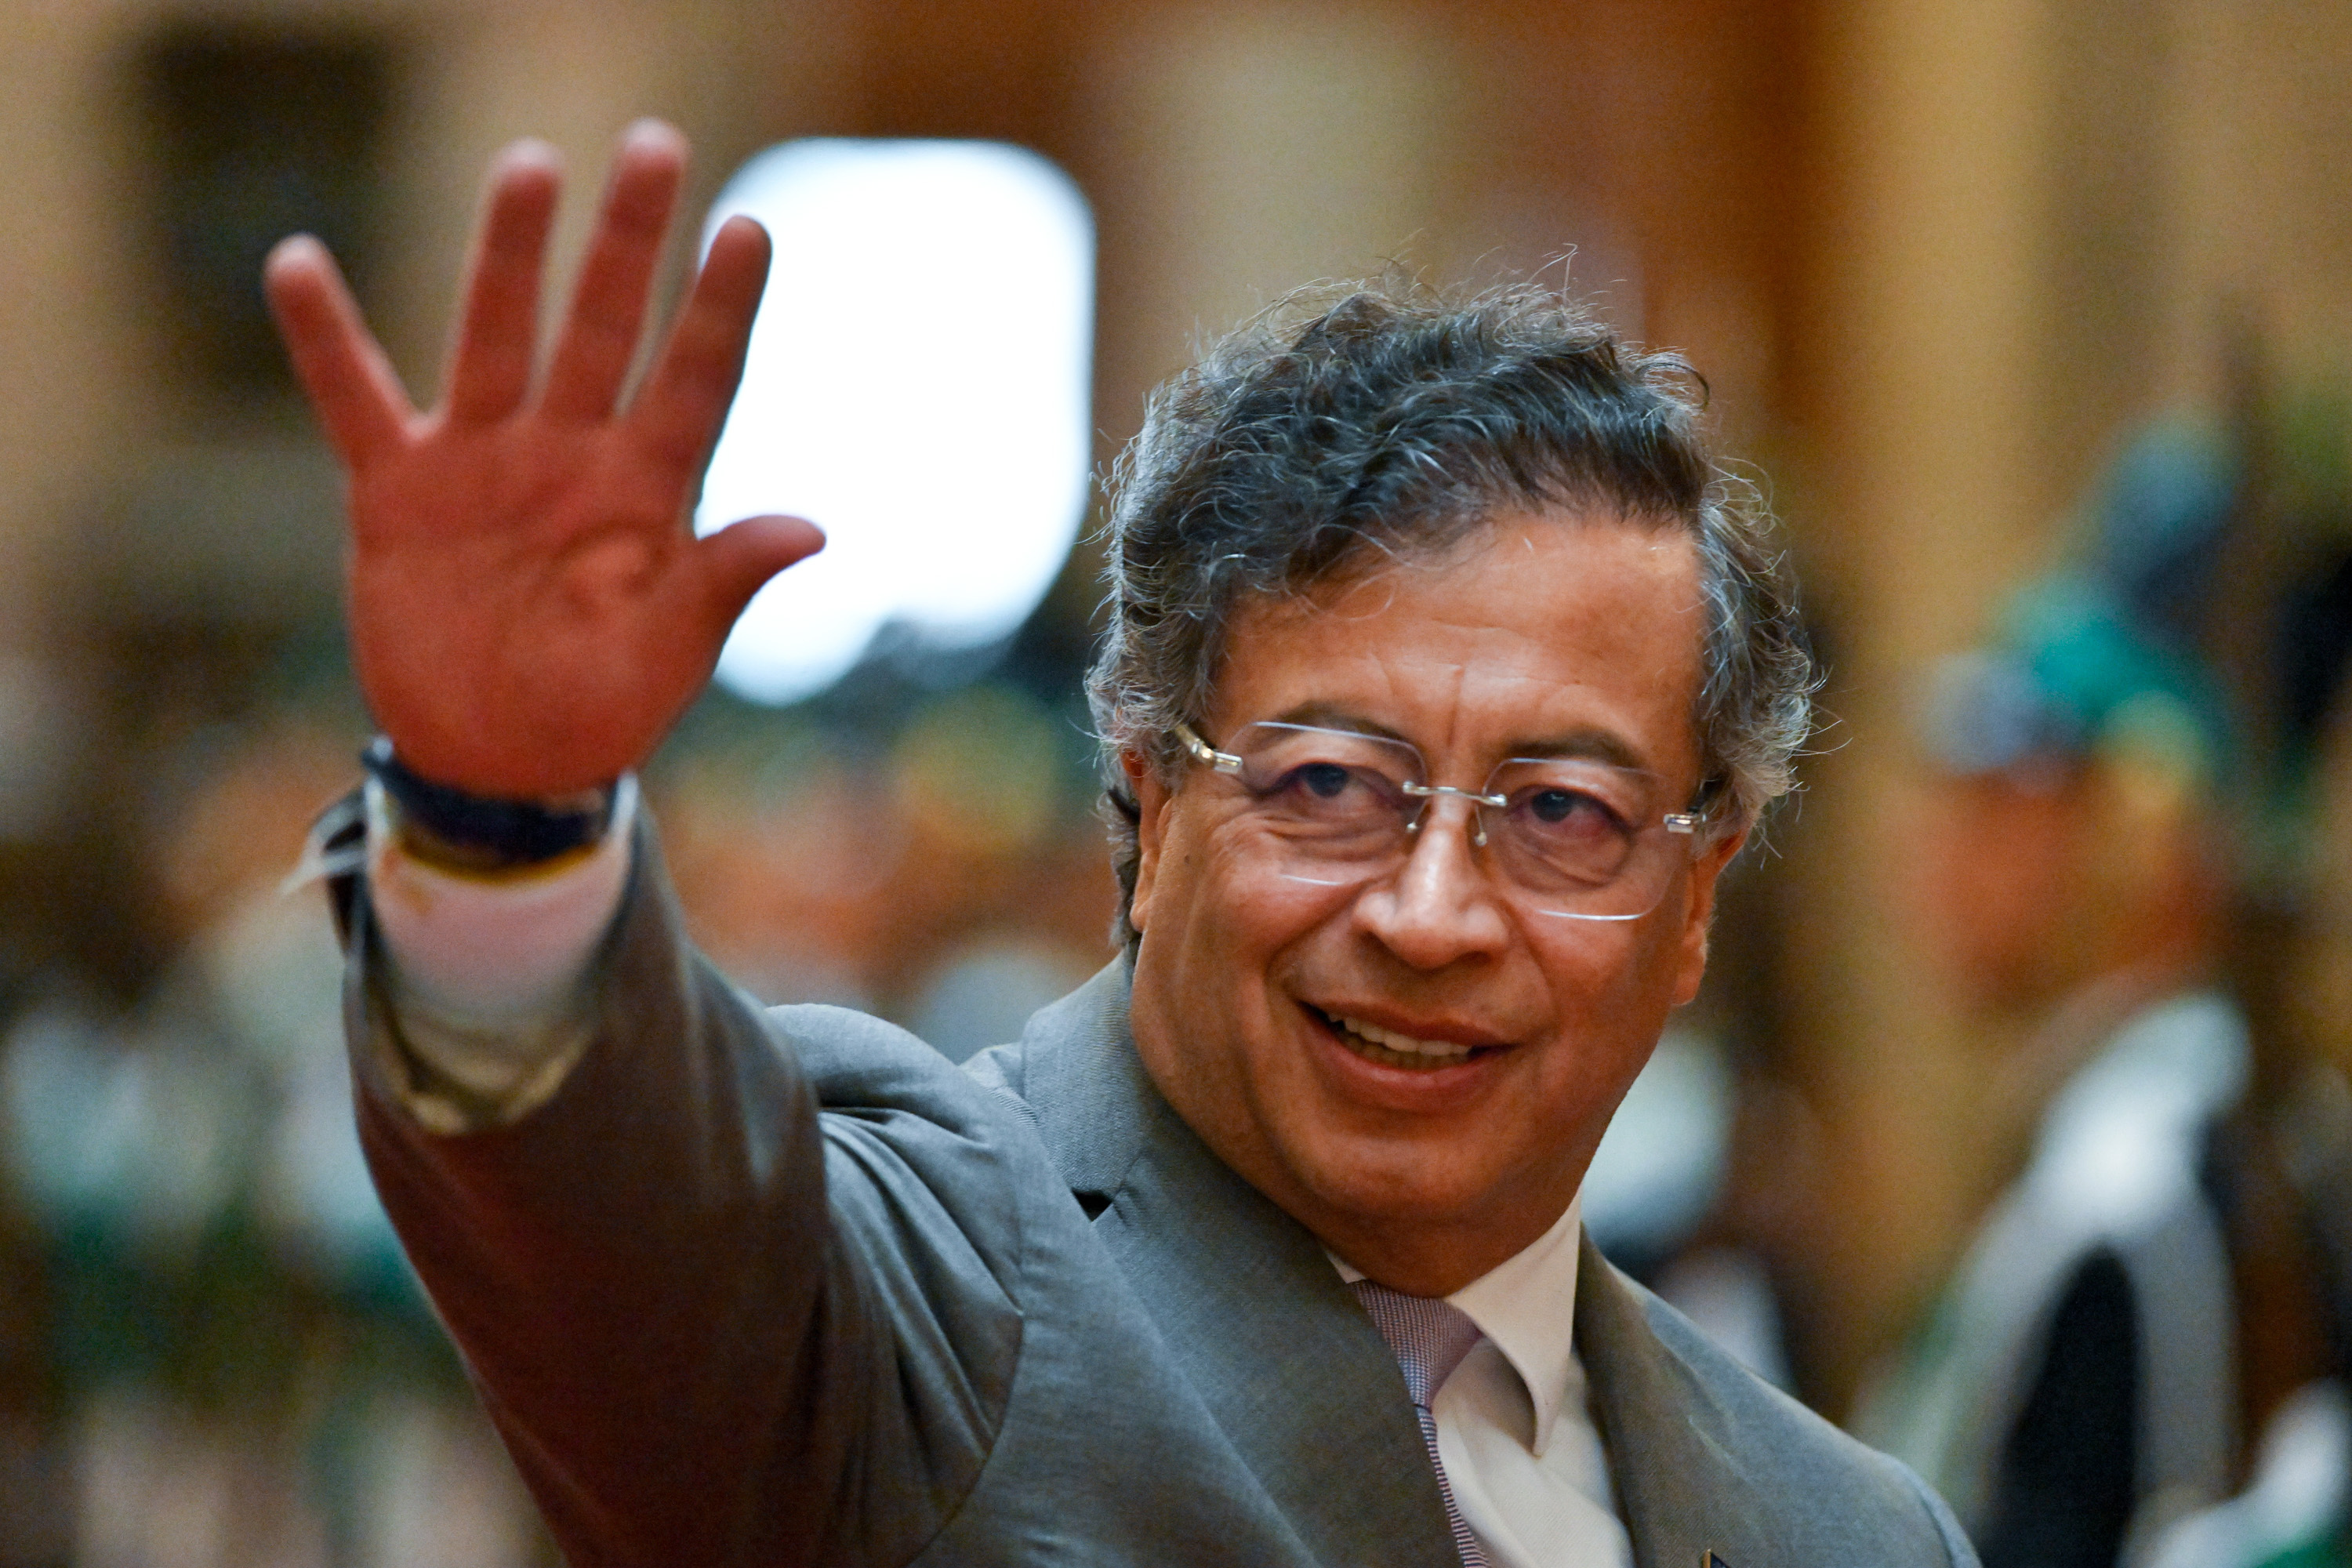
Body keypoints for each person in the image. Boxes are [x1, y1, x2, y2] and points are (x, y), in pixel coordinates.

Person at [264, 120, 1977, 1566]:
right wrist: (503, 825)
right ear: (1149, 804)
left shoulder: (1858, 1529)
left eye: (1564, 815)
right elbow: (634, 1231)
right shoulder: (912, 1291)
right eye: (1325, 788)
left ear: (1693, 902)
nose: (1435, 911)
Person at [1853, 427, 2253, 1568]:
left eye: (2001, 796)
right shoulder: (2114, 1166)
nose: (1925, 854)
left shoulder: (2126, 1209)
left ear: (2146, 839)